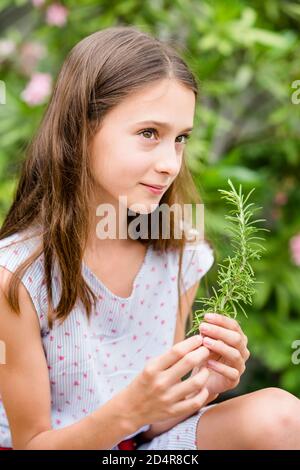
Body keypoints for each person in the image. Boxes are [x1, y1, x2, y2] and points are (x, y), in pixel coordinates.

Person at [0, 26, 300, 451]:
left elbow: (153, 427)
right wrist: (128, 411)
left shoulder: (179, 255)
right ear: (81, 129)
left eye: (180, 139)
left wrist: (203, 387)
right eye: (149, 134)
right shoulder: (16, 276)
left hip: (137, 449)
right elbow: (33, 444)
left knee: (283, 416)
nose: (169, 163)